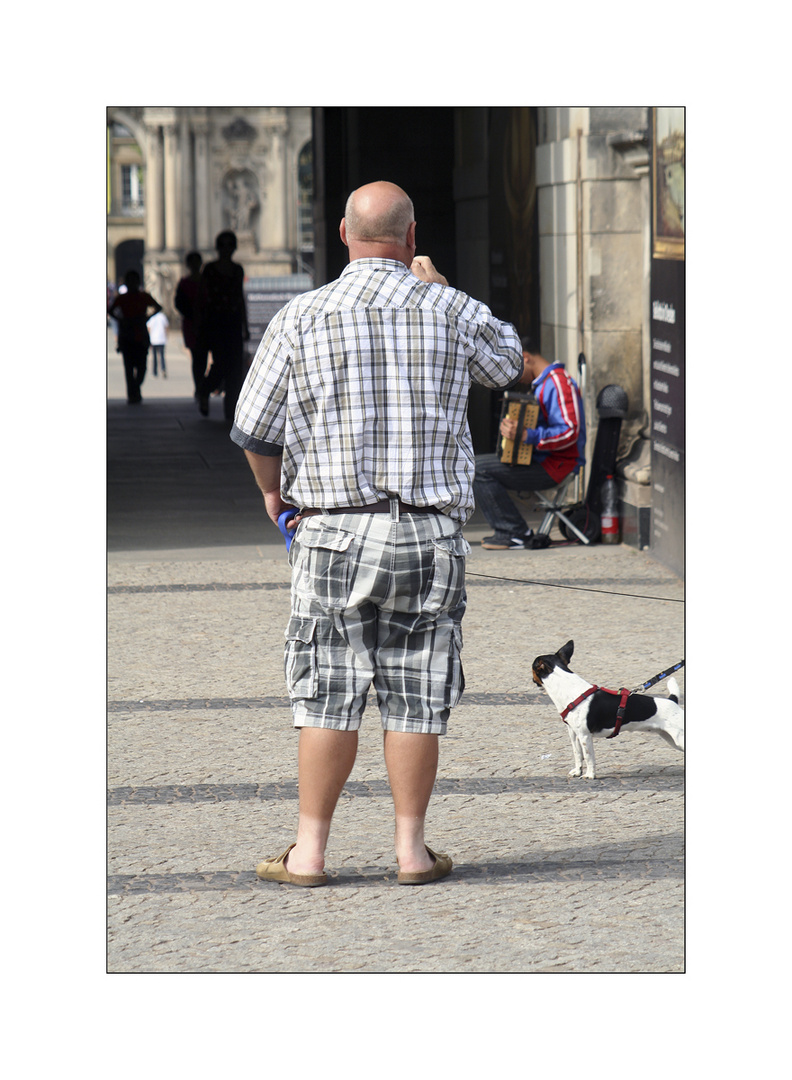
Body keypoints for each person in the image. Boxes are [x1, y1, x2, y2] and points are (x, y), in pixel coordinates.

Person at [231, 180, 522, 887]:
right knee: (418, 693)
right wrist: (445, 289)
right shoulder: (450, 310)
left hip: (333, 531)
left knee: (326, 691)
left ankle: (308, 854)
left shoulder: (301, 316)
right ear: (412, 237)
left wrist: (273, 494)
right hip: (428, 536)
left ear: (342, 233)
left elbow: (255, 427)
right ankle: (412, 851)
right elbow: (507, 362)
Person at [473, 336, 586, 549]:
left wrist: (527, 436)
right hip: (543, 461)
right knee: (477, 464)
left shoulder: (558, 382)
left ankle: (515, 532)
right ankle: (513, 530)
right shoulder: (544, 384)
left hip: (556, 466)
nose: (511, 375)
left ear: (525, 358)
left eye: (513, 367)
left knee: (479, 469)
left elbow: (570, 431)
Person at [196, 231, 249, 420]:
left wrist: (245, 325)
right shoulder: (209, 269)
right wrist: (201, 323)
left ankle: (230, 410)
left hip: (233, 322)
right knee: (220, 364)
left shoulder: (237, 270)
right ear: (218, 247)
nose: (226, 249)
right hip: (215, 322)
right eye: (223, 245)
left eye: (230, 245)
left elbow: (240, 298)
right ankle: (204, 390)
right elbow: (202, 298)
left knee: (235, 367)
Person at [107, 270, 162, 404]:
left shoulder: (144, 296)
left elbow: (158, 307)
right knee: (129, 367)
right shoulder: (122, 298)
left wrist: (147, 317)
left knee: (142, 367)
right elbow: (110, 310)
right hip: (127, 335)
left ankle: (135, 388)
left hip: (140, 334)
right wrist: (121, 319)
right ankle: (132, 393)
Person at [174, 251, 208, 395]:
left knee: (202, 356)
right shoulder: (185, 283)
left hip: (205, 323)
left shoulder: (206, 282)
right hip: (191, 324)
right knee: (197, 356)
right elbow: (179, 303)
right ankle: (199, 385)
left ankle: (201, 385)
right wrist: (193, 315)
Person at [147, 308, 169, 377]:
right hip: (161, 339)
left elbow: (149, 328)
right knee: (162, 356)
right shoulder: (163, 316)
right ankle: (163, 369)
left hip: (153, 340)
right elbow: (166, 327)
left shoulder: (152, 317)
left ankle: (155, 372)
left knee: (155, 357)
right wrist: (166, 336)